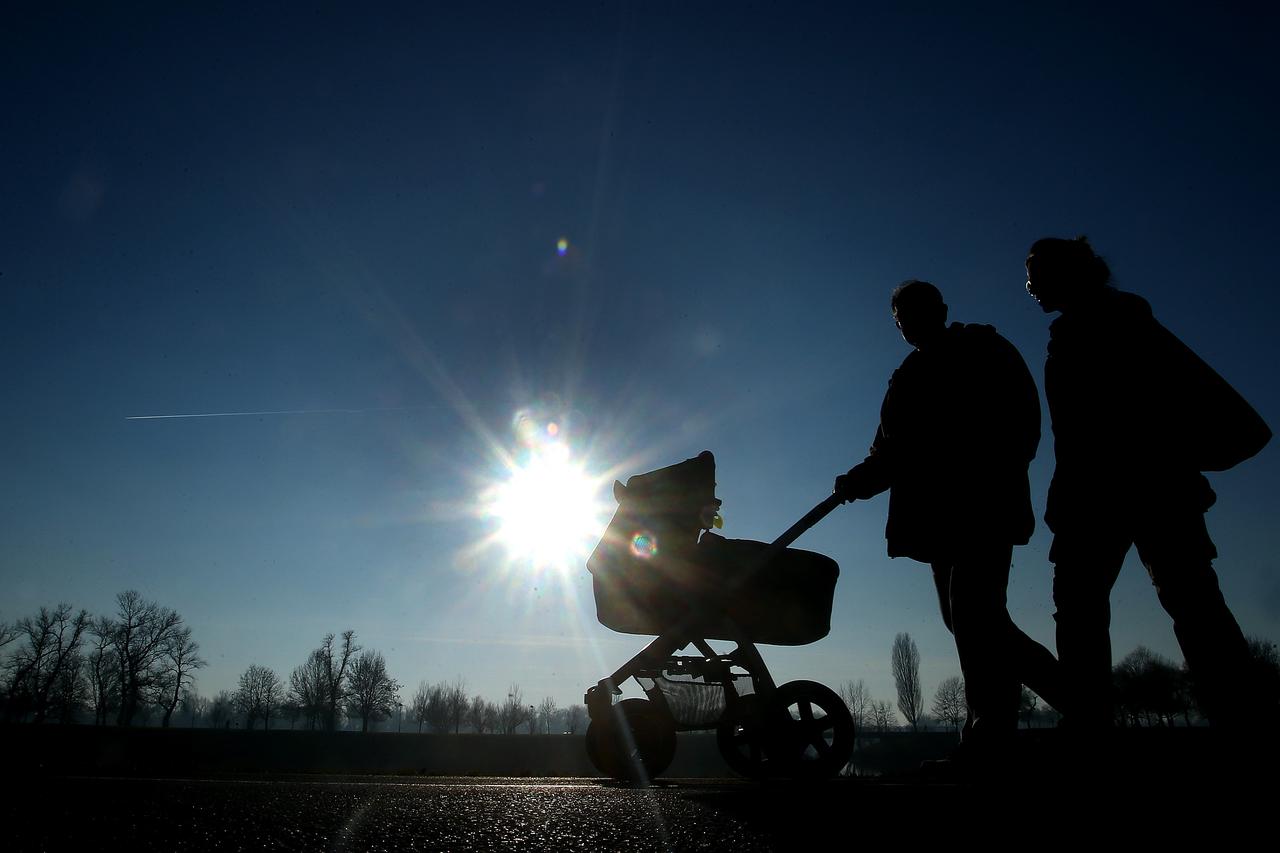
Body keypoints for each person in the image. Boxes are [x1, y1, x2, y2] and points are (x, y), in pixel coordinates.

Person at [1025, 236, 1271, 729]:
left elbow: (1099, 431)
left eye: (1036, 272)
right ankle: (1242, 719)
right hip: (1123, 494)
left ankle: (1241, 721)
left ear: (1067, 276)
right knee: (1177, 605)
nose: (1029, 284)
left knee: (1160, 607)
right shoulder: (1097, 329)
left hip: (1129, 493)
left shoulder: (1118, 328)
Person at [835, 280, 1062, 754]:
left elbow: (1024, 421)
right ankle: (1014, 722)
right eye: (900, 321)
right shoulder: (908, 375)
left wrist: (990, 469)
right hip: (936, 520)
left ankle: (997, 731)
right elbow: (890, 451)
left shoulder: (984, 349)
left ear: (940, 309)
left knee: (976, 616)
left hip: (983, 508)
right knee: (968, 621)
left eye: (915, 315)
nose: (907, 326)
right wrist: (858, 479)